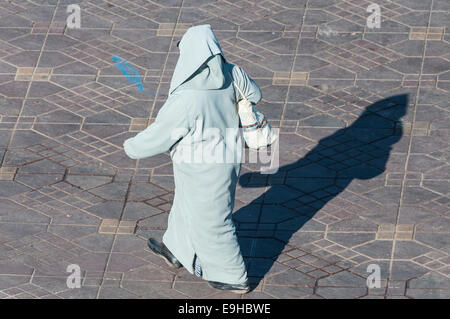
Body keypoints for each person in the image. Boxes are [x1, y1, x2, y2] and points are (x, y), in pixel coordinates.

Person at [123, 24, 262, 293]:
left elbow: (159, 135)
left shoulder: (187, 99)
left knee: (213, 220)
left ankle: (234, 275)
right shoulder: (233, 73)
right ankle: (175, 248)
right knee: (186, 204)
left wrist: (131, 146)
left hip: (202, 166)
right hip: (226, 159)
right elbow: (255, 94)